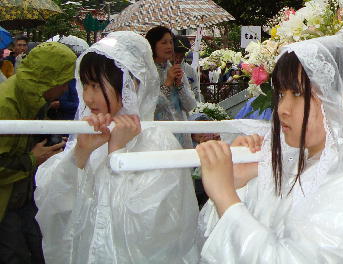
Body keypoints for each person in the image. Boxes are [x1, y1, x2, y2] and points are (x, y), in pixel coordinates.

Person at [196, 25, 343, 262]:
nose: (282, 109)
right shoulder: (302, 164)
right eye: (280, 94)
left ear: (342, 102)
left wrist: (224, 195)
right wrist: (239, 182)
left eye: (298, 94)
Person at [35, 31, 199, 263]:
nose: (88, 98)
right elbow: (53, 205)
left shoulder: (157, 142)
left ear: (130, 84)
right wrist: (79, 155)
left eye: (96, 85)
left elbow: (151, 230)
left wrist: (117, 155)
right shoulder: (93, 136)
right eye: (85, 85)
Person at [0, 41, 76, 263]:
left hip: (21, 194)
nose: (64, 89)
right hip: (6, 202)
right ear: (48, 78)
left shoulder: (32, 96)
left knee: (38, 248)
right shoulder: (6, 104)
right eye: (63, 82)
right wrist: (33, 158)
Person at [145, 26, 198, 148]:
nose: (169, 46)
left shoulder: (176, 69)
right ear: (152, 45)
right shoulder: (147, 72)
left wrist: (179, 84)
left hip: (181, 134)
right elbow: (149, 108)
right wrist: (167, 83)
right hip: (158, 138)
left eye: (170, 42)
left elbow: (190, 105)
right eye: (164, 42)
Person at [174, 35, 202, 102]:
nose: (178, 59)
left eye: (181, 56)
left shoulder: (190, 71)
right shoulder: (164, 69)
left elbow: (196, 91)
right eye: (176, 56)